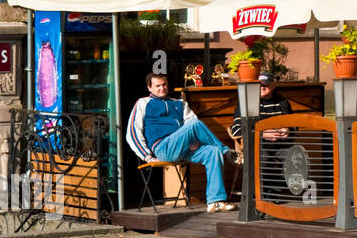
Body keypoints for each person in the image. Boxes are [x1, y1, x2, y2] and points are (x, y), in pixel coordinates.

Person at [125, 73, 237, 213]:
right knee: (195, 125)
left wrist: (193, 141)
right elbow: (133, 133)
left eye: (164, 85)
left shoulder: (180, 104)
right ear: (149, 87)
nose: (162, 88)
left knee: (212, 152)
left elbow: (193, 128)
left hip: (184, 149)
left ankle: (216, 201)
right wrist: (147, 156)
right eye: (158, 86)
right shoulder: (143, 103)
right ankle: (227, 151)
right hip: (163, 148)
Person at [229, 73, 294, 148]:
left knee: (296, 156)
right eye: (259, 85)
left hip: (282, 145)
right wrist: (262, 134)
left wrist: (288, 131)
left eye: (266, 85)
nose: (262, 88)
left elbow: (294, 126)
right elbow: (236, 131)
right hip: (258, 146)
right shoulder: (247, 103)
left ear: (273, 86)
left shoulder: (282, 102)